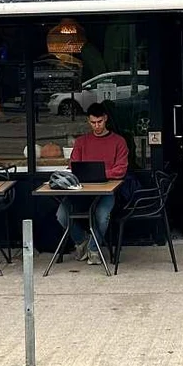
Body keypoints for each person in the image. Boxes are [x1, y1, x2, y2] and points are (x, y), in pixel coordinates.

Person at [58, 102, 130, 261]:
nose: (96, 126)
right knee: (62, 214)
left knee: (102, 216)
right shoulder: (81, 142)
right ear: (88, 121)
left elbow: (121, 170)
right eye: (93, 122)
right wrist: (100, 174)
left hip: (107, 191)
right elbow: (73, 165)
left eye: (99, 122)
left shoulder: (119, 141)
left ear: (105, 119)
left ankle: (93, 248)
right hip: (82, 190)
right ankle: (82, 241)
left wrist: (98, 174)